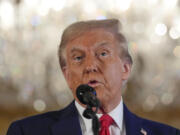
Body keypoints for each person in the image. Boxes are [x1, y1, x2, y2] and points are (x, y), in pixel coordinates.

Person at [7, 19, 180, 135]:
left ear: (125, 68)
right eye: (78, 58)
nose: (90, 66)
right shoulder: (26, 131)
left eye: (103, 53)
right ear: (67, 75)